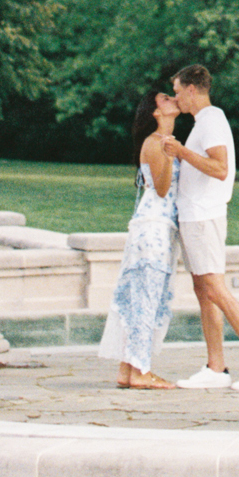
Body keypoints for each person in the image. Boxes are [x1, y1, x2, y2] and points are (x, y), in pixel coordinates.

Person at [164, 64, 239, 392]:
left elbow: (219, 167)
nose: (176, 97)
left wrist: (181, 152)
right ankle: (216, 368)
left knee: (214, 288)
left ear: (191, 89)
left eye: (177, 91)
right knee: (204, 291)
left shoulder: (212, 120)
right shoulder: (204, 123)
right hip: (194, 217)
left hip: (204, 217)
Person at [97, 89, 182, 390]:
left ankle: (127, 369)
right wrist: (172, 155)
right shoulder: (158, 143)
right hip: (154, 229)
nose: (172, 99)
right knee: (147, 300)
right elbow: (161, 188)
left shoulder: (158, 142)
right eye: (164, 98)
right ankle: (142, 371)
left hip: (152, 227)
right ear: (155, 112)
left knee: (141, 298)